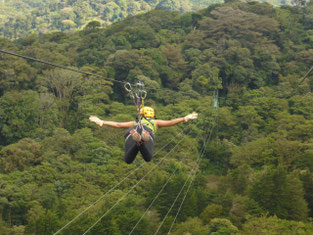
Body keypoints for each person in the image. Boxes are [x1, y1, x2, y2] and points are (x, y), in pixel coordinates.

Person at [89, 107, 198, 164]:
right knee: (148, 158)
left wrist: (102, 122)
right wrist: (185, 118)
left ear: (140, 115)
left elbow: (118, 124)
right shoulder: (155, 122)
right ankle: (142, 139)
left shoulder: (134, 123)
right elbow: (171, 122)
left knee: (128, 160)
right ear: (153, 116)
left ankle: (138, 140)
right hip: (148, 133)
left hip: (132, 131)